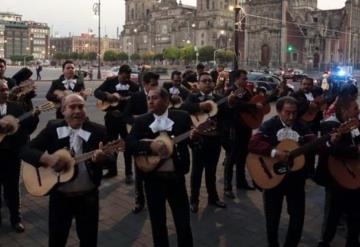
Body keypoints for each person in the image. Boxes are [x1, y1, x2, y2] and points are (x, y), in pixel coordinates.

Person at [20, 94, 109, 247]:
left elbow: (112, 160)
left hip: (88, 197)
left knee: (88, 240)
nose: (77, 111)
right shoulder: (53, 127)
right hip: (60, 196)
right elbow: (25, 150)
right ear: (63, 111)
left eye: (81, 107)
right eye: (72, 107)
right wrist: (47, 159)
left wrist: (102, 159)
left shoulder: (98, 131)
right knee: (57, 240)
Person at [127, 88, 194, 247]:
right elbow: (130, 144)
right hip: (153, 178)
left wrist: (196, 138)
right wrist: (151, 147)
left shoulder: (182, 117)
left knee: (183, 221)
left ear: (165, 100)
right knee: (157, 222)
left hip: (176, 177)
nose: (150, 101)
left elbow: (192, 143)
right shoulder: (141, 120)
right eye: (149, 98)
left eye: (155, 98)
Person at [248, 96, 317, 247]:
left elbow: (313, 142)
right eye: (287, 112)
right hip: (273, 176)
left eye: (294, 113)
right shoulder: (270, 125)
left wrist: (329, 140)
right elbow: (253, 144)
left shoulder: (302, 126)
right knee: (272, 217)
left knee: (297, 217)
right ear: (279, 111)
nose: (291, 117)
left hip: (296, 179)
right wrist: (274, 152)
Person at [317, 96, 360, 247]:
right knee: (332, 214)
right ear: (344, 110)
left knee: (355, 214)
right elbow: (334, 150)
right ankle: (325, 241)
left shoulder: (354, 124)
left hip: (354, 177)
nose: (358, 111)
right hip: (335, 178)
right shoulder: (330, 125)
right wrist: (355, 150)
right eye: (355, 109)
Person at [181, 72, 226, 213]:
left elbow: (226, 116)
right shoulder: (193, 97)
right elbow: (185, 107)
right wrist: (201, 105)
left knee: (211, 171)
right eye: (204, 81)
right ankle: (194, 200)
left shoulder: (219, 98)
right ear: (199, 83)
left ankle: (213, 198)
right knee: (197, 172)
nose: (207, 83)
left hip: (214, 139)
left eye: (210, 81)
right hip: (199, 139)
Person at [0, 80, 38, 233]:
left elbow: (28, 128)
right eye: (2, 89)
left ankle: (16, 218)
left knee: (13, 189)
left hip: (11, 155)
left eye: (6, 89)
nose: (5, 92)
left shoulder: (16, 107)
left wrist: (34, 116)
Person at [123, 71, 159, 214]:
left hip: (155, 137)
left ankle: (154, 199)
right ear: (145, 84)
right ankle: (139, 200)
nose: (156, 87)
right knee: (139, 169)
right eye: (153, 85)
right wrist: (138, 122)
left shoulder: (160, 96)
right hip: (140, 138)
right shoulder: (136, 97)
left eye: (157, 84)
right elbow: (125, 115)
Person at [94, 64, 139, 180]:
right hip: (111, 119)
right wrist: (106, 96)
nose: (126, 80)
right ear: (119, 74)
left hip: (126, 121)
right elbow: (96, 92)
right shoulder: (110, 82)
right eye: (124, 78)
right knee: (111, 145)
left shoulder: (133, 86)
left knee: (127, 146)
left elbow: (136, 102)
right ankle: (112, 170)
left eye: (128, 78)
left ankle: (128, 173)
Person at [223, 69, 257, 198]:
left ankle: (241, 181)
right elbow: (234, 105)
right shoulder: (230, 90)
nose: (245, 80)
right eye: (243, 78)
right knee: (231, 157)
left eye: (246, 78)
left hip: (246, 127)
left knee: (243, 155)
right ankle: (227, 187)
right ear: (236, 79)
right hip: (233, 128)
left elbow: (251, 103)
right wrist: (252, 106)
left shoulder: (247, 91)